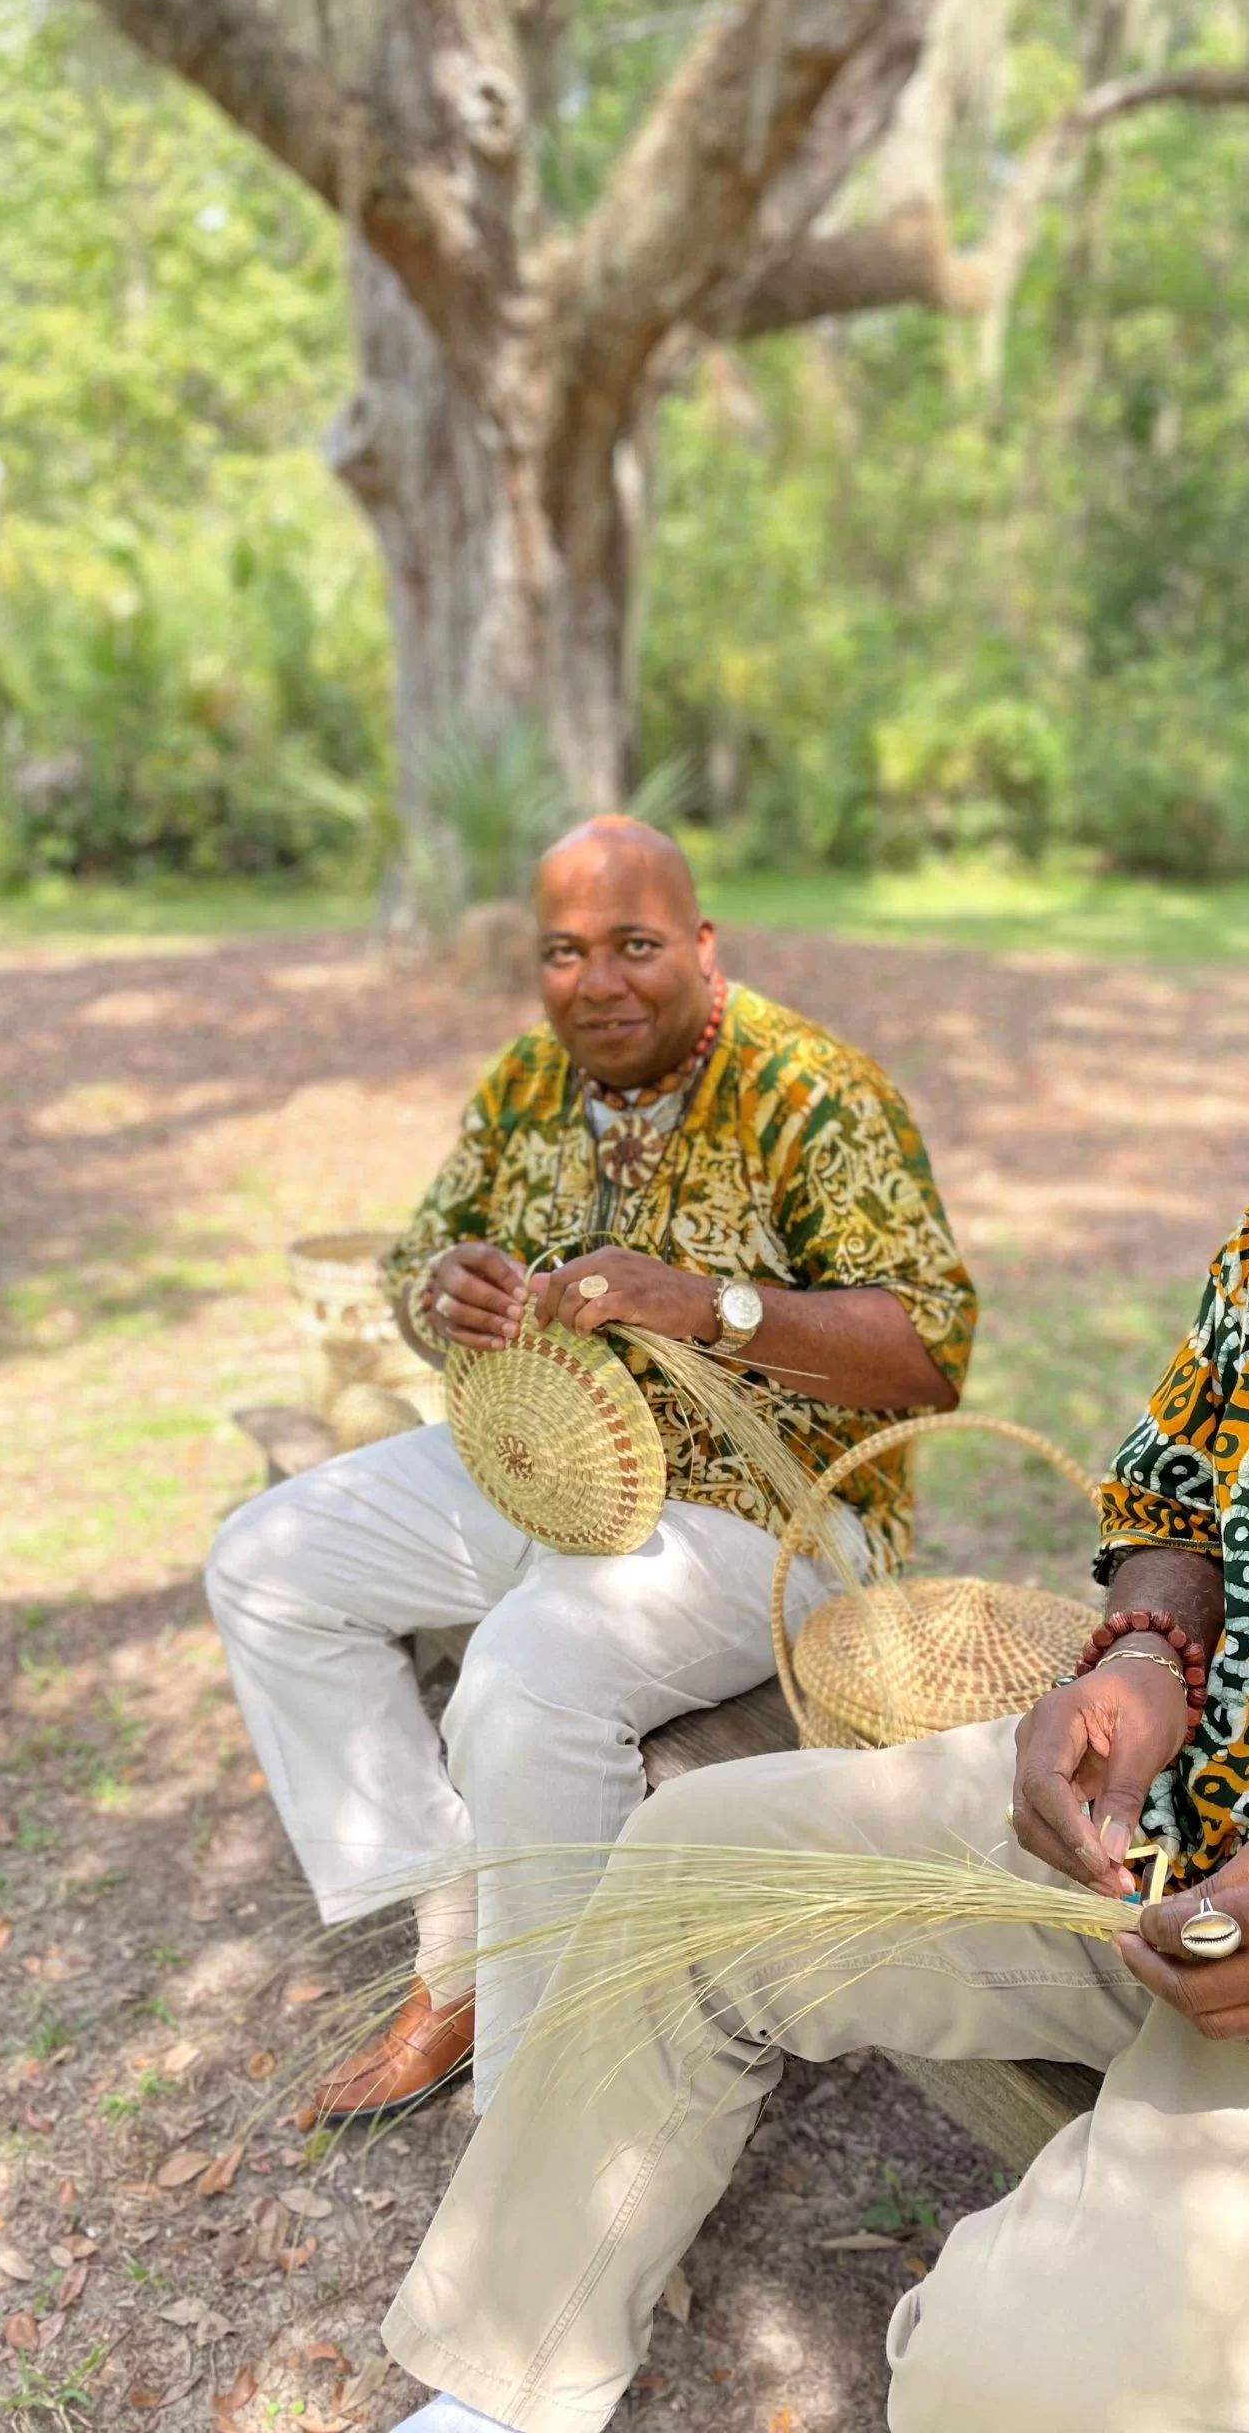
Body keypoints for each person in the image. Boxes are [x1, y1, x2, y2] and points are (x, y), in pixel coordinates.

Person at [379, 825, 1249, 2433]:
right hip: (1169, 1853)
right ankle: (512, 2394)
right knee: (687, 1877)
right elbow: (1173, 1501)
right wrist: (1145, 1658)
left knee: (1007, 2384)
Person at [204, 816, 975, 2119]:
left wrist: (712, 1307)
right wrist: (440, 1292)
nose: (600, 983)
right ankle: (458, 1960)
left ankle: (542, 2101)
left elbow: (927, 1350)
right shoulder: (526, 1084)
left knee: (520, 1685)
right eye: (566, 954)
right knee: (266, 1564)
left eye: (635, 945)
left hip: (763, 1511)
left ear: (702, 944)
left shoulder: (813, 1094)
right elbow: (415, 1262)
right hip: (540, 1459)